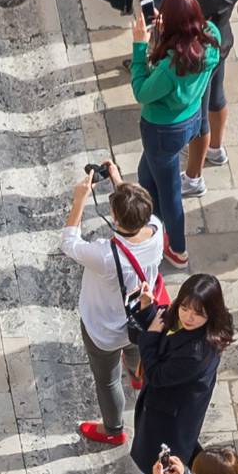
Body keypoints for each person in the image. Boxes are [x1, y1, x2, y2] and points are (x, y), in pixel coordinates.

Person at [61, 168, 164, 448]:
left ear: (115, 218)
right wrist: (118, 180)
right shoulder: (156, 229)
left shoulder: (105, 255)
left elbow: (69, 242)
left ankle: (113, 429)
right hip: (140, 318)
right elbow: (136, 212)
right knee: (135, 353)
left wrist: (80, 198)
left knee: (107, 381)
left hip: (103, 328)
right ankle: (138, 377)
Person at [130, 0, 221, 266]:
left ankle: (178, 250)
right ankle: (152, 225)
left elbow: (141, 92)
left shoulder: (171, 66)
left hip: (162, 131)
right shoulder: (212, 37)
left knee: (169, 194)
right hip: (191, 119)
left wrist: (139, 47)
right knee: (146, 175)